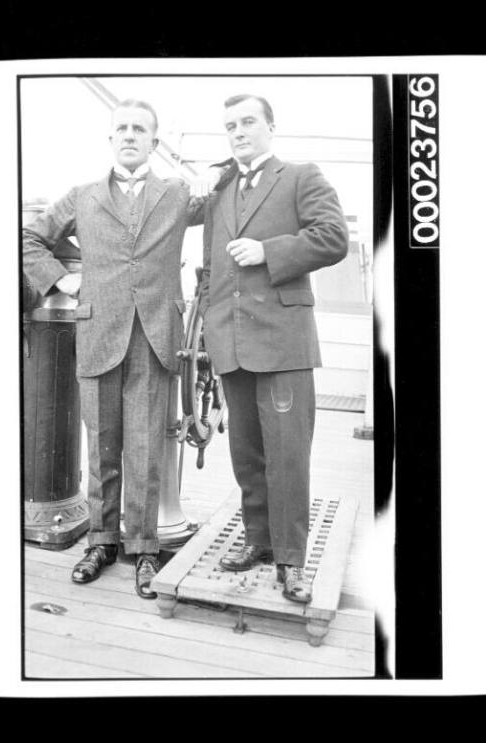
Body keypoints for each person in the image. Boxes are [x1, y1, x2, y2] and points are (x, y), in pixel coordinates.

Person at [23, 99, 214, 598]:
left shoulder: (176, 193)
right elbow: (28, 239)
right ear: (111, 139)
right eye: (122, 128)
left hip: (154, 338)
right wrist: (63, 278)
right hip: (98, 332)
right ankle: (101, 542)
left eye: (140, 129)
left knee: (147, 450)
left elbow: (224, 202)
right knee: (102, 445)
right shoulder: (82, 196)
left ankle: (145, 548)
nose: (130, 135)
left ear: (154, 141)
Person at [199, 94, 349, 603]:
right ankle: (259, 541)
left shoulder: (302, 176)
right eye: (230, 126)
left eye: (247, 122)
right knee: (247, 454)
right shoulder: (221, 190)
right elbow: (212, 273)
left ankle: (291, 560)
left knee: (287, 456)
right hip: (232, 343)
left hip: (283, 343)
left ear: (270, 127)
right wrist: (208, 329)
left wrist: (269, 251)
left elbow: (333, 238)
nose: (238, 132)